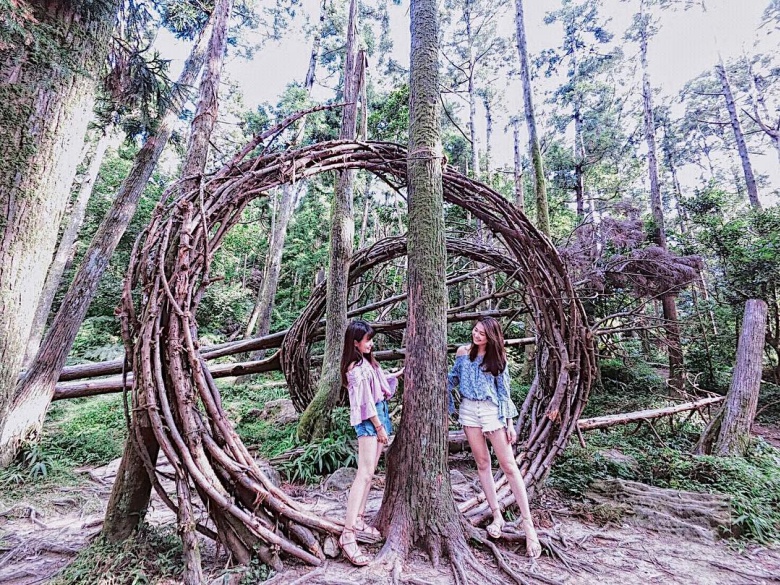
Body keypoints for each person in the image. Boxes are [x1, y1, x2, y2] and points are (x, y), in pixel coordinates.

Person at [447, 317, 542, 558]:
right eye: (475, 330)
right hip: (469, 410)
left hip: (492, 411)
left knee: (509, 466)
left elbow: (504, 393)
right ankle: (496, 514)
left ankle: (528, 524)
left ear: (491, 337)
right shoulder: (462, 352)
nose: (476, 335)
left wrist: (509, 424)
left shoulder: (498, 359)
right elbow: (452, 379)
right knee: (482, 464)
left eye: (481, 333)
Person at [338, 319, 404, 566]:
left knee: (370, 471)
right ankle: (348, 534)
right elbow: (365, 402)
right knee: (364, 474)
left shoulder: (366, 363)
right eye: (367, 340)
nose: (371, 343)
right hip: (370, 419)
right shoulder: (355, 369)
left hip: (379, 414)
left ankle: (359, 518)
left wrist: (396, 373)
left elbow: (378, 383)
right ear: (355, 343)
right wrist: (379, 427)